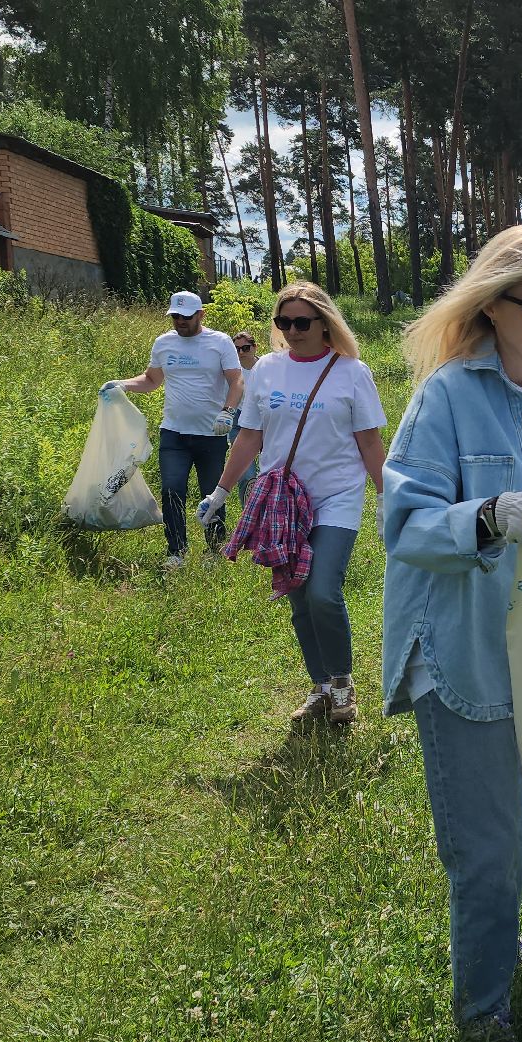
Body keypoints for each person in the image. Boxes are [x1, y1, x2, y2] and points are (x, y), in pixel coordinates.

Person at [378, 223, 522, 1036]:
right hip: (464, 646)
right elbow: (404, 524)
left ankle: (500, 943)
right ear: (493, 305)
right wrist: (490, 516)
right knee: (487, 845)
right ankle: (482, 1013)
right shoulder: (446, 396)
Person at [196, 282, 387, 726]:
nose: (293, 331)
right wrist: (221, 492)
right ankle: (321, 686)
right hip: (283, 501)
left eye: (302, 322)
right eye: (284, 322)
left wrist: (385, 497)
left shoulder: (352, 372)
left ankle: (342, 683)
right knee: (298, 595)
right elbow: (250, 436)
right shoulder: (266, 369)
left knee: (322, 591)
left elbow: (369, 441)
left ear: (325, 323)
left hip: (336, 496)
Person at [102, 290, 243, 567]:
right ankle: (176, 551)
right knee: (171, 490)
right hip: (174, 433)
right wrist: (122, 385)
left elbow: (236, 380)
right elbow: (151, 380)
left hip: (211, 434)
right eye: (175, 316)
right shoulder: (164, 343)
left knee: (212, 493)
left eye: (186, 316)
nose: (180, 321)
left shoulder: (219, 342)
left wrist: (228, 412)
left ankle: (214, 550)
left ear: (201, 314)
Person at [228, 331, 261, 504]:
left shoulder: (266, 368)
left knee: (270, 473)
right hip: (239, 423)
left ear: (255, 347)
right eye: (237, 349)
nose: (241, 353)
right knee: (247, 475)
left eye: (245, 348)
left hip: (265, 423)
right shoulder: (231, 372)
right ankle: (248, 513)